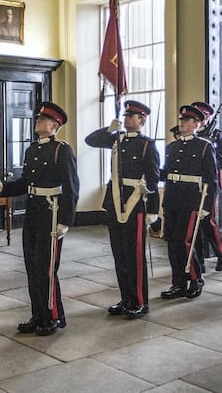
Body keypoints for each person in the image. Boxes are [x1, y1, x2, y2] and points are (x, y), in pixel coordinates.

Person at [0, 102, 79, 336]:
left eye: (44, 118)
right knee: (32, 266)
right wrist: (1, 188)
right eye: (38, 117)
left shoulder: (62, 150)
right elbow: (24, 182)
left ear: (55, 125)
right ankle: (38, 314)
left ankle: (53, 316)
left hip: (52, 212)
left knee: (47, 268)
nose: (38, 120)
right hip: (34, 211)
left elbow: (71, 187)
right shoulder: (33, 150)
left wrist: (65, 220)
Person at [84, 100, 159, 319]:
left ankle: (139, 301)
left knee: (134, 256)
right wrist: (109, 129)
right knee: (119, 255)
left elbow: (153, 179)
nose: (126, 119)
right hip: (114, 203)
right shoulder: (116, 139)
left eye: (131, 116)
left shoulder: (147, 145)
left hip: (135, 204)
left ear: (142, 120)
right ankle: (126, 298)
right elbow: (91, 140)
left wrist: (152, 210)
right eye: (125, 116)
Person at [159, 105, 217, 300]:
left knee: (184, 241)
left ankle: (195, 278)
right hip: (172, 198)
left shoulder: (204, 147)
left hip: (191, 199)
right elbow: (166, 173)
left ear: (196, 124)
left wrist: (207, 206)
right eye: (181, 119)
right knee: (172, 242)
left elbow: (211, 179)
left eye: (186, 120)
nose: (181, 122)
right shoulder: (172, 147)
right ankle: (178, 283)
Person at [191, 102, 222, 271]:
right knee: (194, 224)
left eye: (203, 114)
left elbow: (220, 160)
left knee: (207, 222)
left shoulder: (215, 134)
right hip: (192, 183)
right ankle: (199, 260)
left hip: (208, 182)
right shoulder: (189, 134)